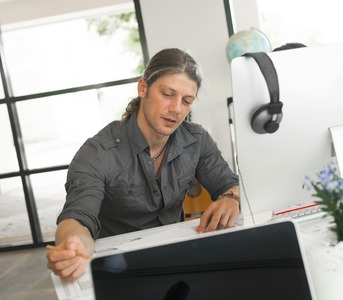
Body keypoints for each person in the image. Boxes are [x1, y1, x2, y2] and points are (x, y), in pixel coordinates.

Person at [46, 48, 240, 282]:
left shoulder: (197, 140)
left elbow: (229, 184)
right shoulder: (96, 153)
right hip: (120, 270)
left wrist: (231, 198)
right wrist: (72, 244)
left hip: (177, 261)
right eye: (168, 94)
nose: (177, 109)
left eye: (186, 101)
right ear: (143, 88)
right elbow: (77, 217)